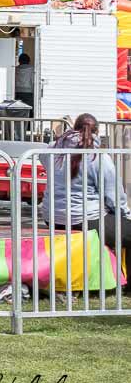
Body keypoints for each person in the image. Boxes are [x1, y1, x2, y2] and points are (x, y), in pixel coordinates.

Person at [45, 113, 131, 274]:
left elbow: (47, 156)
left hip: (52, 218)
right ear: (97, 132)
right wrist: (125, 215)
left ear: (74, 128)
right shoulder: (98, 157)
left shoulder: (52, 150)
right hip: (85, 218)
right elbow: (114, 196)